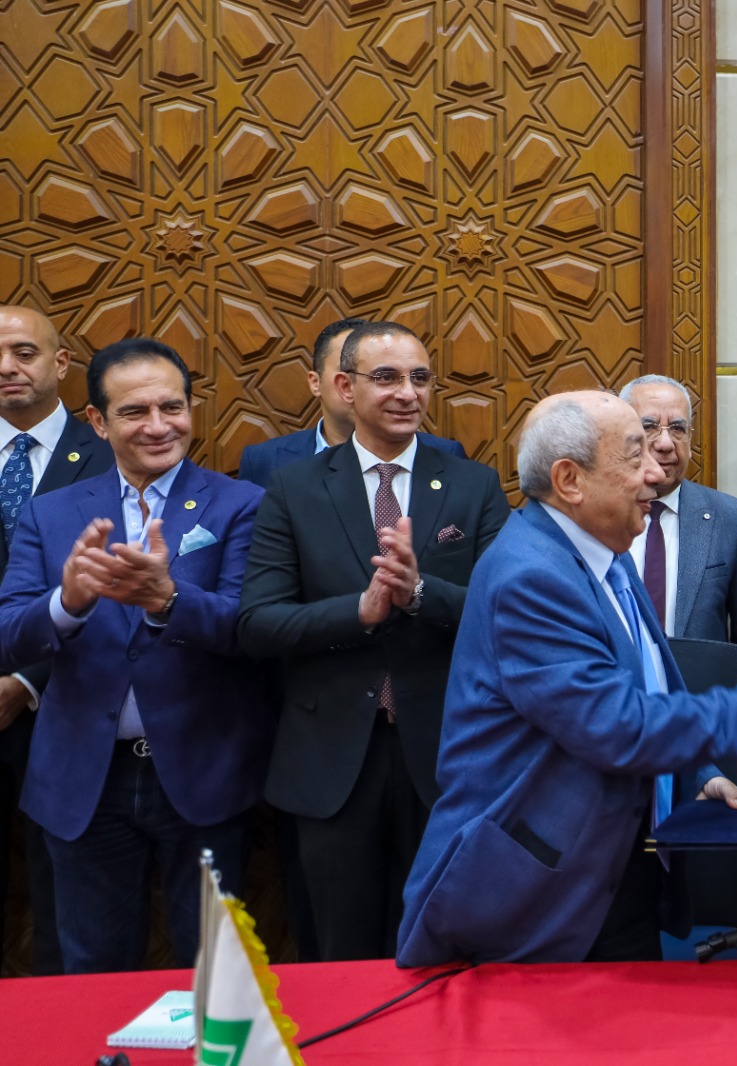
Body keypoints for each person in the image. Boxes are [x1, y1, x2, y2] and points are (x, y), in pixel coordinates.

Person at [397, 391, 737, 966]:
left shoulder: (607, 551)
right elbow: (618, 724)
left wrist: (696, 773)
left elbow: (653, 685)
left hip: (618, 867)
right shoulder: (531, 578)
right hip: (541, 891)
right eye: (634, 455)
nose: (656, 471)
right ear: (569, 480)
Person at [237, 320, 509, 961]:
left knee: (443, 951)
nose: (407, 393)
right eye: (385, 377)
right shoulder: (294, 488)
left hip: (444, 756)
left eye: (419, 378)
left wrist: (420, 595)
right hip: (330, 759)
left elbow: (506, 615)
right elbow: (258, 624)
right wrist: (358, 612)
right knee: (338, 953)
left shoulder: (473, 485)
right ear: (343, 387)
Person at [0, 337, 272, 973]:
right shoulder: (50, 513)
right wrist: (66, 603)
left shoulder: (241, 504)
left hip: (203, 772)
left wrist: (168, 599)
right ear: (98, 422)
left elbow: (252, 629)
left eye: (171, 407)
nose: (158, 426)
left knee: (215, 975)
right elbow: (9, 634)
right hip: (83, 780)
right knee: (92, 973)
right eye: (134, 412)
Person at [0, 307, 113, 975]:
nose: (7, 367)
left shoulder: (110, 452)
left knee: (62, 903)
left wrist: (22, 681)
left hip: (63, 705)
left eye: (24, 352)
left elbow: (117, 591)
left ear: (61, 363)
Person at [619, 374, 737, 677]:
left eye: (678, 429)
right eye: (648, 427)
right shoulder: (594, 516)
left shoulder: (730, 518)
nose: (665, 443)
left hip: (703, 702)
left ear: (690, 441)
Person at [236, 318, 465, 488]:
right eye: (384, 376)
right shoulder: (265, 460)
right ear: (317, 383)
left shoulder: (446, 455)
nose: (406, 394)